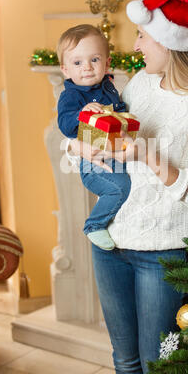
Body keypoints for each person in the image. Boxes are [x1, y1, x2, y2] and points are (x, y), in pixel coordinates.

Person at [67, 0, 188, 374]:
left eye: (142, 35)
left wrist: (148, 155)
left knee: (159, 371)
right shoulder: (139, 83)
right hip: (111, 242)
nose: (136, 46)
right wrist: (79, 148)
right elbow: (109, 143)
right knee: (124, 363)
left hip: (161, 253)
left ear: (167, 40)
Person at [57, 24, 132, 250]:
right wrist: (83, 115)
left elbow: (119, 110)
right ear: (65, 70)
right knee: (120, 188)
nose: (87, 68)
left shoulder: (108, 87)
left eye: (95, 60)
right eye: (77, 63)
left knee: (126, 184)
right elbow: (64, 124)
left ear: (107, 63)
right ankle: (95, 225)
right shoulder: (71, 96)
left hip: (114, 153)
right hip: (93, 164)